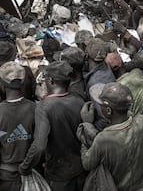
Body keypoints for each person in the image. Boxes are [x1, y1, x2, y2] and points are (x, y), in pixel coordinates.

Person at [19, 61, 86, 190]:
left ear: (51, 81)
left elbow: (39, 146)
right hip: (81, 167)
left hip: (60, 173)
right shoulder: (79, 99)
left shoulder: (44, 107)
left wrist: (25, 167)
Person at [80, 82, 143, 190]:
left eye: (101, 105)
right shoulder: (141, 121)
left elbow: (87, 164)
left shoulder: (103, 139)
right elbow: (129, 118)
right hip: (139, 184)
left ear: (108, 110)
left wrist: (87, 126)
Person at [0, 62, 35, 191]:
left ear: (2, 85)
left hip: (6, 176)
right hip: (32, 171)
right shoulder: (35, 108)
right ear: (23, 83)